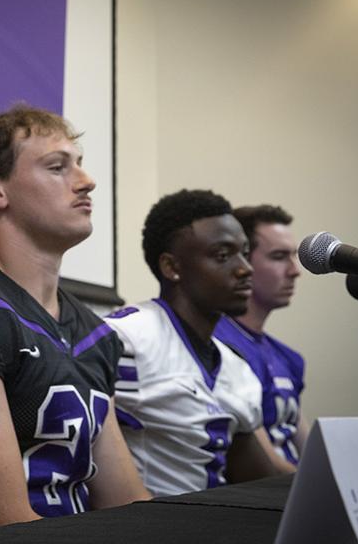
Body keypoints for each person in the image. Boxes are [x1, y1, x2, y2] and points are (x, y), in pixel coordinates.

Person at [0, 105, 150, 529]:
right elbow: (0, 521)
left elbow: (126, 500)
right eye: (57, 167)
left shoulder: (94, 331)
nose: (87, 181)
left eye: (80, 164)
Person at [104, 189, 292, 497]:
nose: (245, 268)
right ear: (172, 267)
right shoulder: (127, 337)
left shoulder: (236, 368)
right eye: (223, 255)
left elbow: (259, 484)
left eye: (244, 252)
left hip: (215, 523)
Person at [213, 205, 307, 465]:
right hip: (261, 495)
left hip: (295, 490)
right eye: (279, 256)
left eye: (294, 256)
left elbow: (310, 451)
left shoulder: (289, 358)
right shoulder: (219, 345)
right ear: (241, 263)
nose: (294, 270)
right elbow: (262, 464)